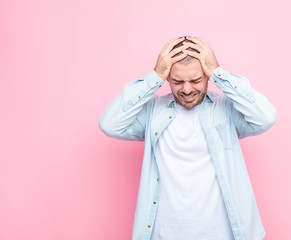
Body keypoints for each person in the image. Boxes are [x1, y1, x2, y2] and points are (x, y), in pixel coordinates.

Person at [99, 36, 277, 240]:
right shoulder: (152, 113)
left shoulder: (225, 110)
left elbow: (266, 117)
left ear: (207, 76)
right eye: (177, 81)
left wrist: (219, 72)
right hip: (163, 233)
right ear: (167, 79)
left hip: (223, 234)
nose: (187, 89)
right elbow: (109, 124)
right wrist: (154, 77)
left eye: (195, 80)